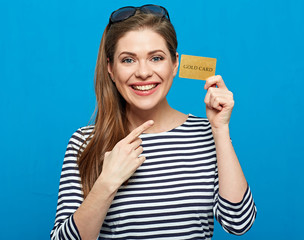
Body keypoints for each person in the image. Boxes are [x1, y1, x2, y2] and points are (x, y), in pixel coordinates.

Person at [50, 4, 257, 240]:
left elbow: (239, 222)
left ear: (174, 63)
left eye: (156, 58)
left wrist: (220, 130)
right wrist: (107, 183)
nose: (143, 72)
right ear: (110, 68)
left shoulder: (207, 134)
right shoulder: (86, 141)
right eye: (128, 60)